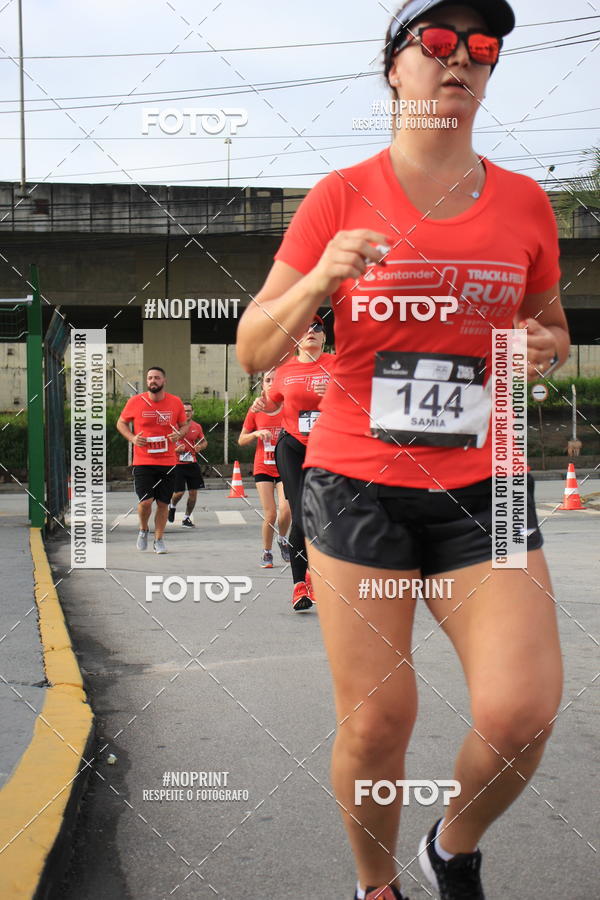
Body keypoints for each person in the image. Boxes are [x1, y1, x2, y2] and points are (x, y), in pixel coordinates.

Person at [236, 2, 570, 898]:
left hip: (487, 484)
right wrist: (317, 279)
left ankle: (449, 849)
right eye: (437, 43)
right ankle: (375, 885)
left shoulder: (526, 201)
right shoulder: (339, 196)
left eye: (482, 48)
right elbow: (255, 348)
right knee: (381, 721)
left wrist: (543, 346)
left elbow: (549, 329)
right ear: (395, 67)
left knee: (522, 710)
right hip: (358, 487)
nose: (460, 60)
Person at [256, 316, 335, 610]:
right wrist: (264, 405)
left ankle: (315, 572)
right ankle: (299, 585)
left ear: (324, 337)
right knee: (301, 512)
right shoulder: (285, 371)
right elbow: (274, 402)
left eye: (317, 328)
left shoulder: (338, 365)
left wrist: (339, 395)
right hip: (292, 447)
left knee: (324, 513)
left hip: (329, 446)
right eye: (305, 329)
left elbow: (361, 401)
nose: (311, 332)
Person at [117, 367, 188, 554]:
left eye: (156, 378)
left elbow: (184, 425)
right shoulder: (135, 402)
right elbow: (121, 422)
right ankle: (143, 529)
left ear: (164, 380)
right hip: (143, 461)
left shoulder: (175, 402)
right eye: (150, 378)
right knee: (145, 502)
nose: (153, 381)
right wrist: (132, 438)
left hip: (167, 461)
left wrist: (178, 434)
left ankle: (159, 539)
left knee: (163, 503)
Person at [238, 371, 291, 567]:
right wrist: (256, 434)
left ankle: (282, 538)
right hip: (263, 467)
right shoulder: (255, 410)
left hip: (284, 466)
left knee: (286, 509)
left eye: (275, 380)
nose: (271, 383)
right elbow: (241, 439)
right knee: (270, 513)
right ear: (262, 385)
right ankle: (266, 552)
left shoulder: (289, 407)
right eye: (268, 380)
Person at [168, 401, 208, 527]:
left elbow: (204, 441)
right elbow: (166, 443)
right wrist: (175, 449)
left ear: (193, 412)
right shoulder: (174, 426)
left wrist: (200, 447)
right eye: (184, 411)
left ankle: (186, 518)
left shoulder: (197, 426)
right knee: (179, 492)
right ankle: (172, 506)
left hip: (192, 463)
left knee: (193, 494)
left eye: (189, 411)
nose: (186, 413)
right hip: (177, 463)